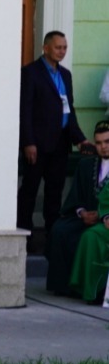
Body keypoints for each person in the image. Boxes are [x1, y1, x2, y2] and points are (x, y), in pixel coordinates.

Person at [17, 32, 87, 244]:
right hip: (37, 145)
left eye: (64, 47)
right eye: (58, 47)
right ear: (45, 48)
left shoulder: (65, 75)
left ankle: (52, 238)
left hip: (60, 144)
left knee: (54, 193)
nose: (62, 51)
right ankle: (25, 237)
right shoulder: (31, 72)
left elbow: (68, 109)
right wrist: (28, 142)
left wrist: (80, 139)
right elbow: (25, 110)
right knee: (29, 191)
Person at [47, 121, 109, 296]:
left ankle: (83, 287)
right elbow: (75, 197)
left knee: (88, 237)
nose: (103, 147)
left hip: (105, 221)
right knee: (59, 230)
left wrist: (103, 215)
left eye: (107, 142)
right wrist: (82, 213)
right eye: (99, 143)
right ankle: (62, 286)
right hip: (86, 217)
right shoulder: (85, 165)